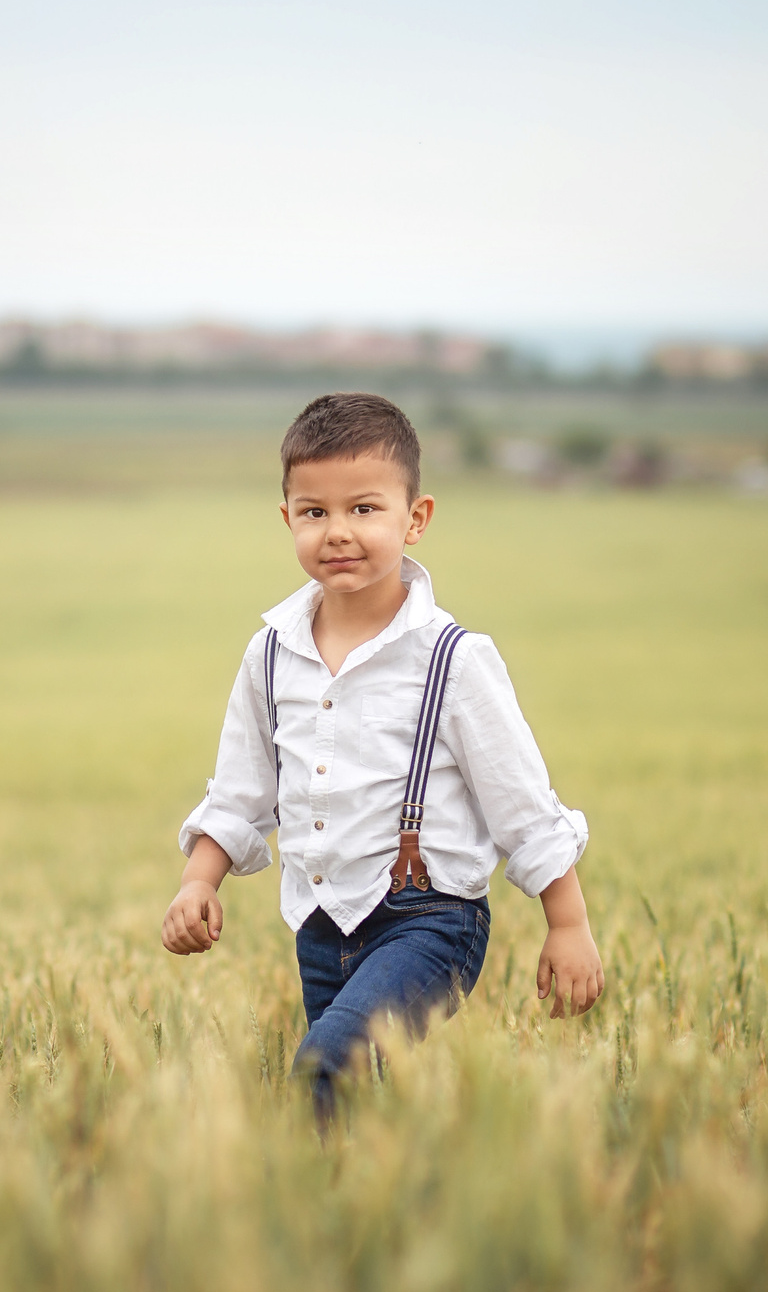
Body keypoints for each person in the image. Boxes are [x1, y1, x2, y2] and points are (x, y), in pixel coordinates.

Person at [162, 391, 602, 1122]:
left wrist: (568, 923)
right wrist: (197, 880)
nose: (338, 531)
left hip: (429, 920)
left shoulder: (454, 660)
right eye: (315, 512)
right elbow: (241, 791)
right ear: (288, 520)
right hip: (319, 925)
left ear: (415, 518)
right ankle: (360, 1215)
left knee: (325, 1068)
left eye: (364, 508)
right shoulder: (270, 653)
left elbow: (523, 804)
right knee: (356, 1109)